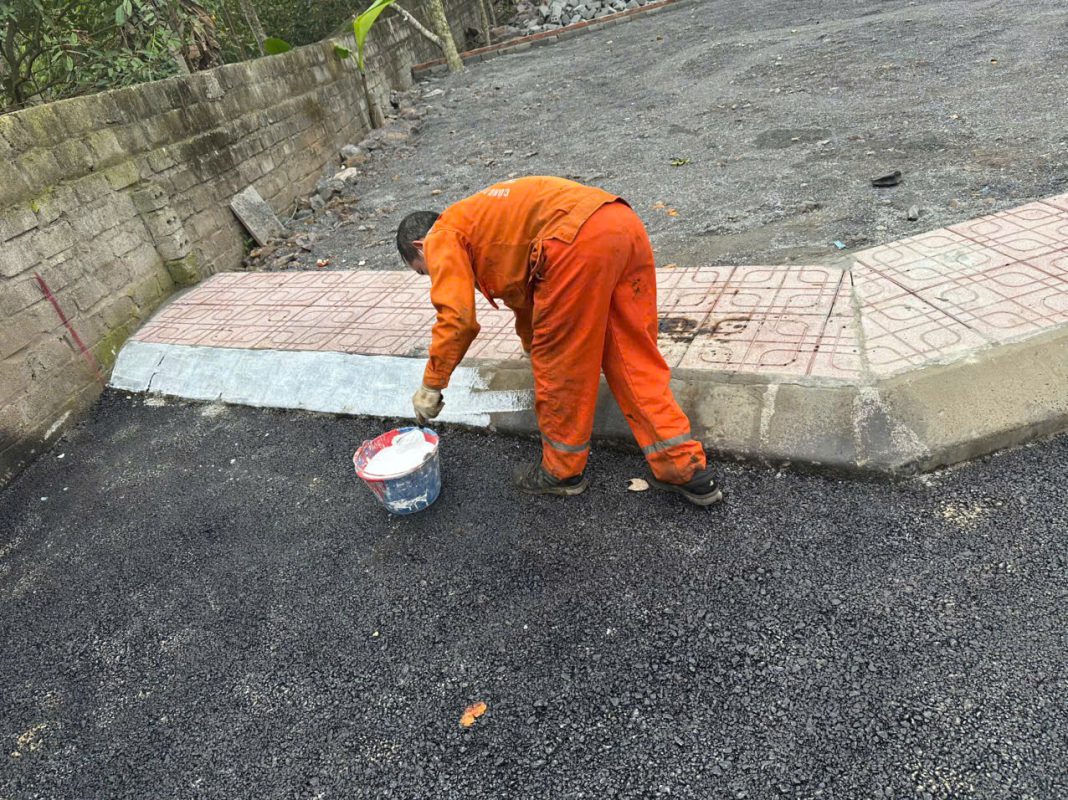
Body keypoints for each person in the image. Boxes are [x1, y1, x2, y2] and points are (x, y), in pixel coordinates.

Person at [396, 176, 722, 506]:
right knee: (632, 358)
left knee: (561, 370)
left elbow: (458, 320)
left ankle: (561, 472)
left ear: (420, 246)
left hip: (573, 243)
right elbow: (524, 295)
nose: (432, 277)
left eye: (424, 272)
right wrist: (531, 343)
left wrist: (432, 384)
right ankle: (684, 468)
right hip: (620, 222)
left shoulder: (441, 235)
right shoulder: (484, 222)